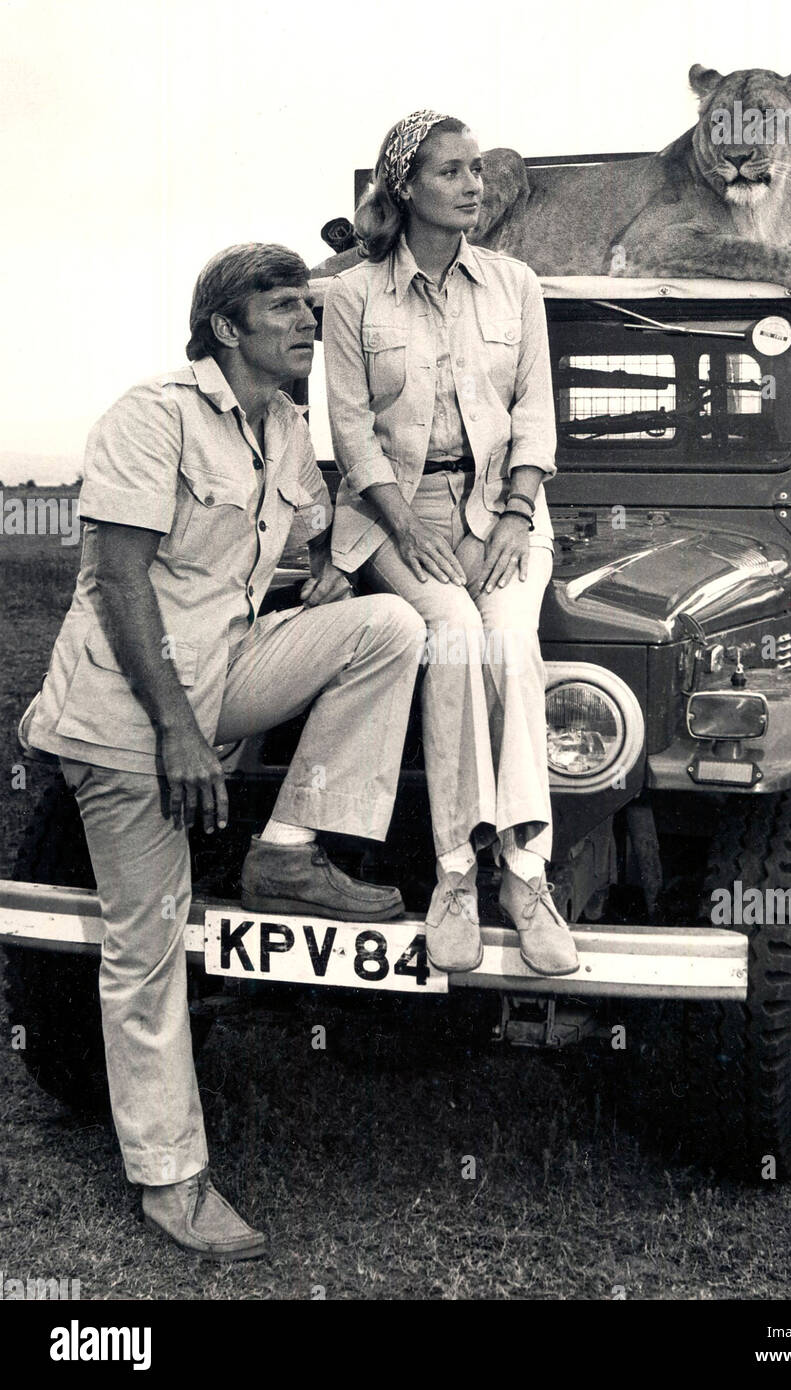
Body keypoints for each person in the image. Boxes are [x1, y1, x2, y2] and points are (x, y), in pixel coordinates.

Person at [19, 243, 426, 1260]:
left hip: (225, 675)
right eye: (282, 305)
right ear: (223, 327)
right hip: (127, 714)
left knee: (389, 629)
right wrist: (178, 735)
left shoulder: (285, 426)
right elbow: (119, 585)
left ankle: (287, 847)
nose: (306, 319)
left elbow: (301, 538)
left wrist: (332, 571)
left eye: (310, 303)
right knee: (147, 945)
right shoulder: (152, 414)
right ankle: (172, 1178)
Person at [322, 111, 579, 979]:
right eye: (451, 171)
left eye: (476, 169)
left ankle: (527, 876)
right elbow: (352, 433)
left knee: (509, 639)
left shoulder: (515, 284)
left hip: (503, 503)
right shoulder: (353, 295)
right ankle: (456, 874)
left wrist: (513, 513)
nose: (475, 184)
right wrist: (407, 528)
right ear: (405, 189)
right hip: (396, 514)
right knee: (454, 637)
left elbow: (537, 413)